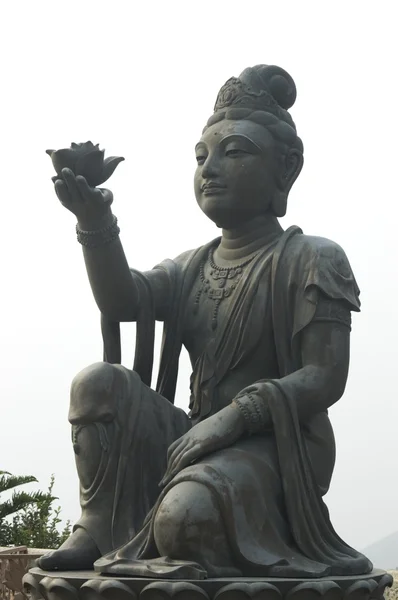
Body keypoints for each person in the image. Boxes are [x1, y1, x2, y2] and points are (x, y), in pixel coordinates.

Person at [38, 65, 372, 579]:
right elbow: (124, 300)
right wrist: (94, 221)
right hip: (192, 437)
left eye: (234, 152)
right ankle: (100, 525)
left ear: (287, 169)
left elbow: (325, 376)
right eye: (201, 156)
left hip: (273, 449)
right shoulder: (190, 266)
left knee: (183, 519)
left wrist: (235, 418)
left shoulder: (314, 258)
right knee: (98, 383)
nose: (209, 168)